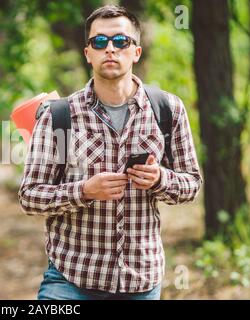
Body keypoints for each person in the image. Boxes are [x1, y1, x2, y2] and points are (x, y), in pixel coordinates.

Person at [18, 5, 202, 300]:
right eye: (100, 42)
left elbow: (191, 185)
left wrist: (159, 180)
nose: (111, 49)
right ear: (88, 53)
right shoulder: (58, 115)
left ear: (136, 52)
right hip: (71, 279)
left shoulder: (168, 109)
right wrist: (84, 191)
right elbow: (30, 197)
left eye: (121, 41)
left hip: (140, 281)